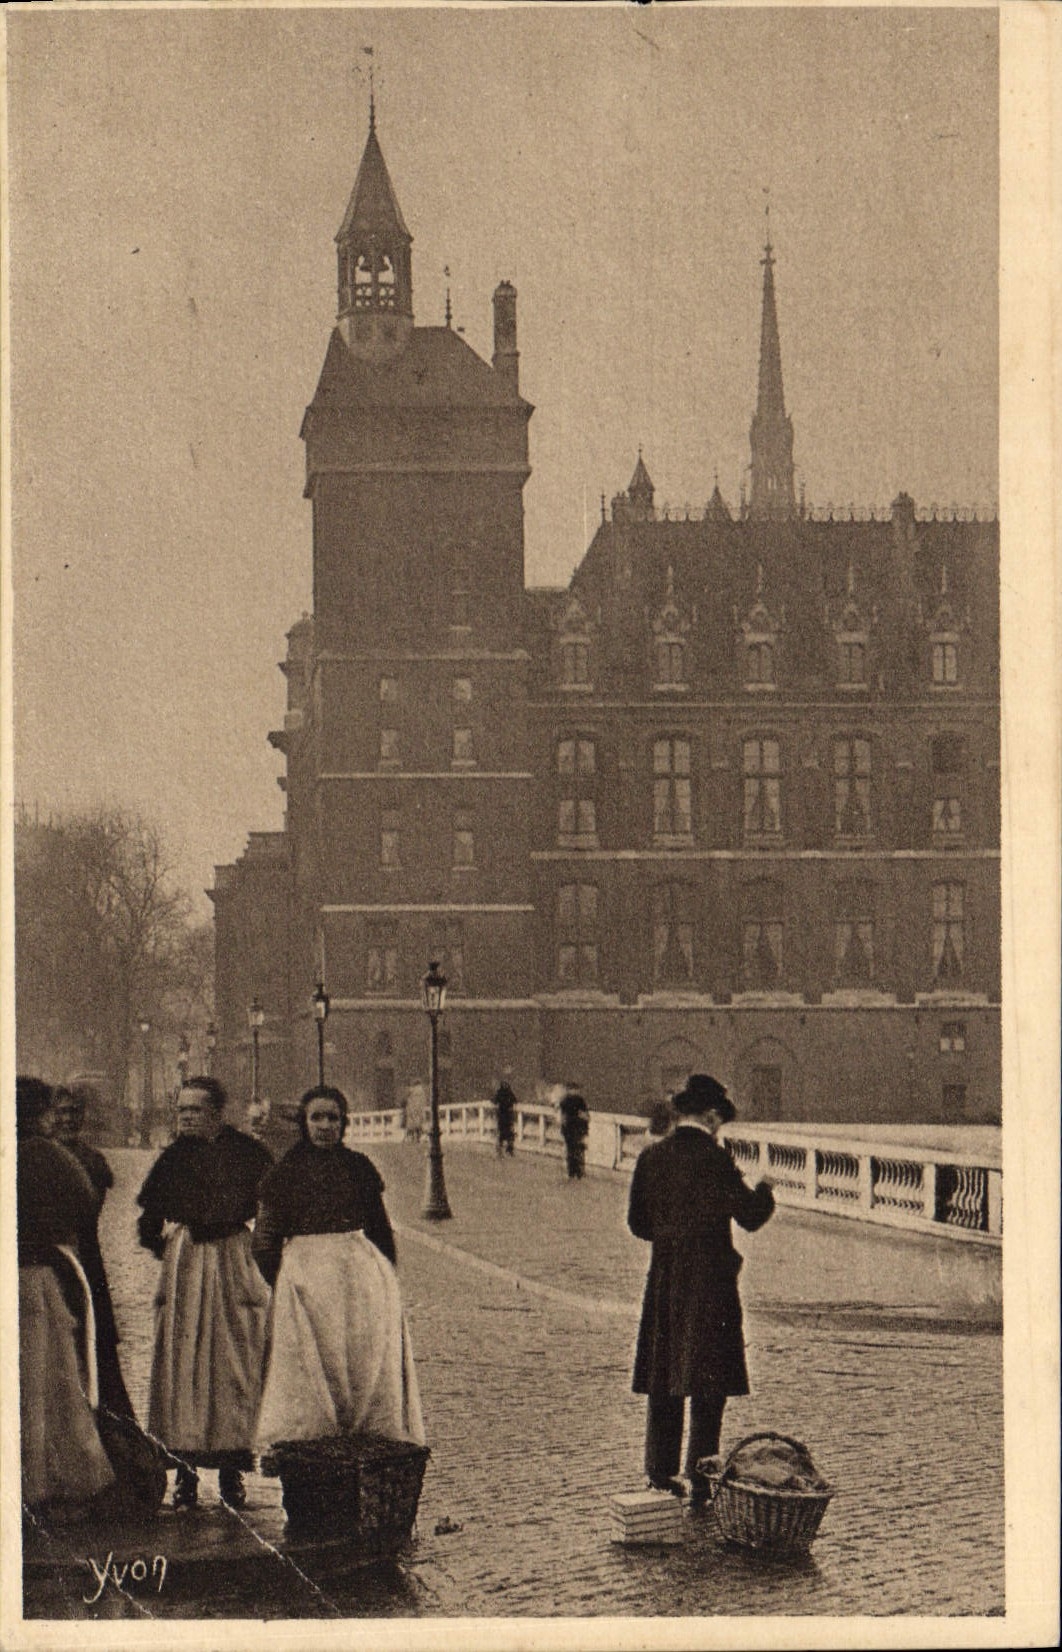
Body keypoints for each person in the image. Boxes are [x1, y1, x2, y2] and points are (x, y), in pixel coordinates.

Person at [627, 1073, 774, 1503]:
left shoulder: (651, 1157)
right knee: (708, 1386)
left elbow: (638, 1224)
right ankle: (701, 1478)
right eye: (719, 1121)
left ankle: (659, 1473)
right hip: (711, 1284)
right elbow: (750, 1216)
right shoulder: (716, 1160)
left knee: (664, 1377)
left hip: (667, 1280)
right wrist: (765, 1187)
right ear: (710, 1117)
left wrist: (672, 1236)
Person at [252, 1086, 425, 1450]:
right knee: (312, 1368)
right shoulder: (284, 1174)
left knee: (360, 1362)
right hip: (305, 1283)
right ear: (305, 1122)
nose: (325, 1126)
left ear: (343, 1123)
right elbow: (264, 1242)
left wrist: (383, 1284)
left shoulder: (358, 1168)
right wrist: (287, 1281)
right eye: (317, 1117)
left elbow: (380, 1230)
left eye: (333, 1118)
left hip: (357, 1282)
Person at [136, 1076, 273, 1510]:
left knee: (233, 1362)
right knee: (184, 1364)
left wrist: (252, 1254)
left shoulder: (248, 1155)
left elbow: (270, 1211)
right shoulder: (173, 1158)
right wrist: (172, 1251)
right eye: (181, 1110)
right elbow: (147, 1224)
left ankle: (232, 1471)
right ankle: (186, 1475)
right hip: (189, 1262)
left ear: (217, 1113)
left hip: (232, 1258)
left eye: (194, 1110)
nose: (186, 1117)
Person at [16, 1076, 116, 1520]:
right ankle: (42, 1476)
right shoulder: (45, 1155)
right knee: (46, 1375)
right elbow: (82, 1201)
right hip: (36, 1273)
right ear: (39, 1114)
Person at [558, 1088, 590, 1179]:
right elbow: (585, 1115)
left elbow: (562, 1116)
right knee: (578, 1149)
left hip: (568, 1128)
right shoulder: (580, 1100)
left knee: (570, 1150)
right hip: (578, 1128)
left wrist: (562, 1128)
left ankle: (571, 1171)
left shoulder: (565, 1100)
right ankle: (579, 1171)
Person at [492, 1071, 518, 1158]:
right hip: (504, 1116)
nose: (505, 1085)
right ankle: (503, 1151)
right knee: (506, 1134)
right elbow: (515, 1100)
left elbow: (494, 1101)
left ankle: (506, 1150)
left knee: (507, 1134)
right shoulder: (505, 1093)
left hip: (505, 1116)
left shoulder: (504, 1092)